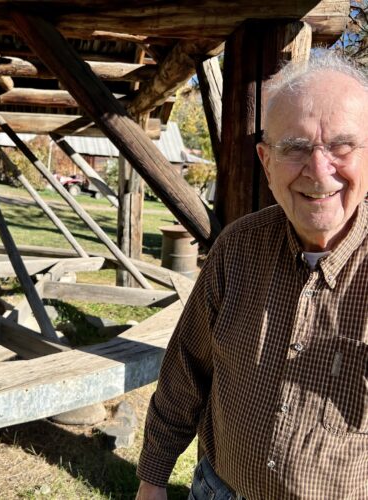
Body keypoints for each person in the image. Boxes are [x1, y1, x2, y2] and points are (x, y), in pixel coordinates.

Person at [136, 51, 367, 499]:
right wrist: (152, 478)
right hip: (218, 488)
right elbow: (187, 367)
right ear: (265, 160)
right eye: (295, 148)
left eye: (341, 145)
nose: (319, 171)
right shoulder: (237, 248)